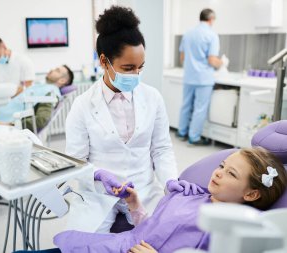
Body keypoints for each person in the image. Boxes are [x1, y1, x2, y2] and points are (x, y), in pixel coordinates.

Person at [65, 6, 194, 234]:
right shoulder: (82, 105)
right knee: (83, 244)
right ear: (104, 62)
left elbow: (162, 149)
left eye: (140, 67)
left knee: (166, 238)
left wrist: (169, 180)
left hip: (144, 190)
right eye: (128, 68)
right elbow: (76, 161)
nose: (135, 74)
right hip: (98, 194)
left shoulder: (152, 97)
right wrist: (97, 174)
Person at [53, 147, 287, 253]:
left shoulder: (232, 232)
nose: (217, 173)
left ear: (252, 194)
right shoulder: (190, 194)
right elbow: (150, 229)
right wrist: (134, 204)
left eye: (231, 174)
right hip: (120, 244)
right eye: (222, 166)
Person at [177, 9, 227, 146]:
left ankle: (181, 132)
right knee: (200, 108)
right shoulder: (212, 35)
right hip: (203, 78)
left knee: (186, 104)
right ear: (211, 19)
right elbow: (212, 60)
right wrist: (222, 62)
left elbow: (182, 57)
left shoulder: (187, 34)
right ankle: (194, 137)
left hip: (189, 76)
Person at [0, 65, 74, 131]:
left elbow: (41, 120)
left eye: (57, 70)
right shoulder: (42, 86)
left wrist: (11, 125)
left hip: (2, 124)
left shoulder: (50, 93)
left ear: (62, 80)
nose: (52, 69)